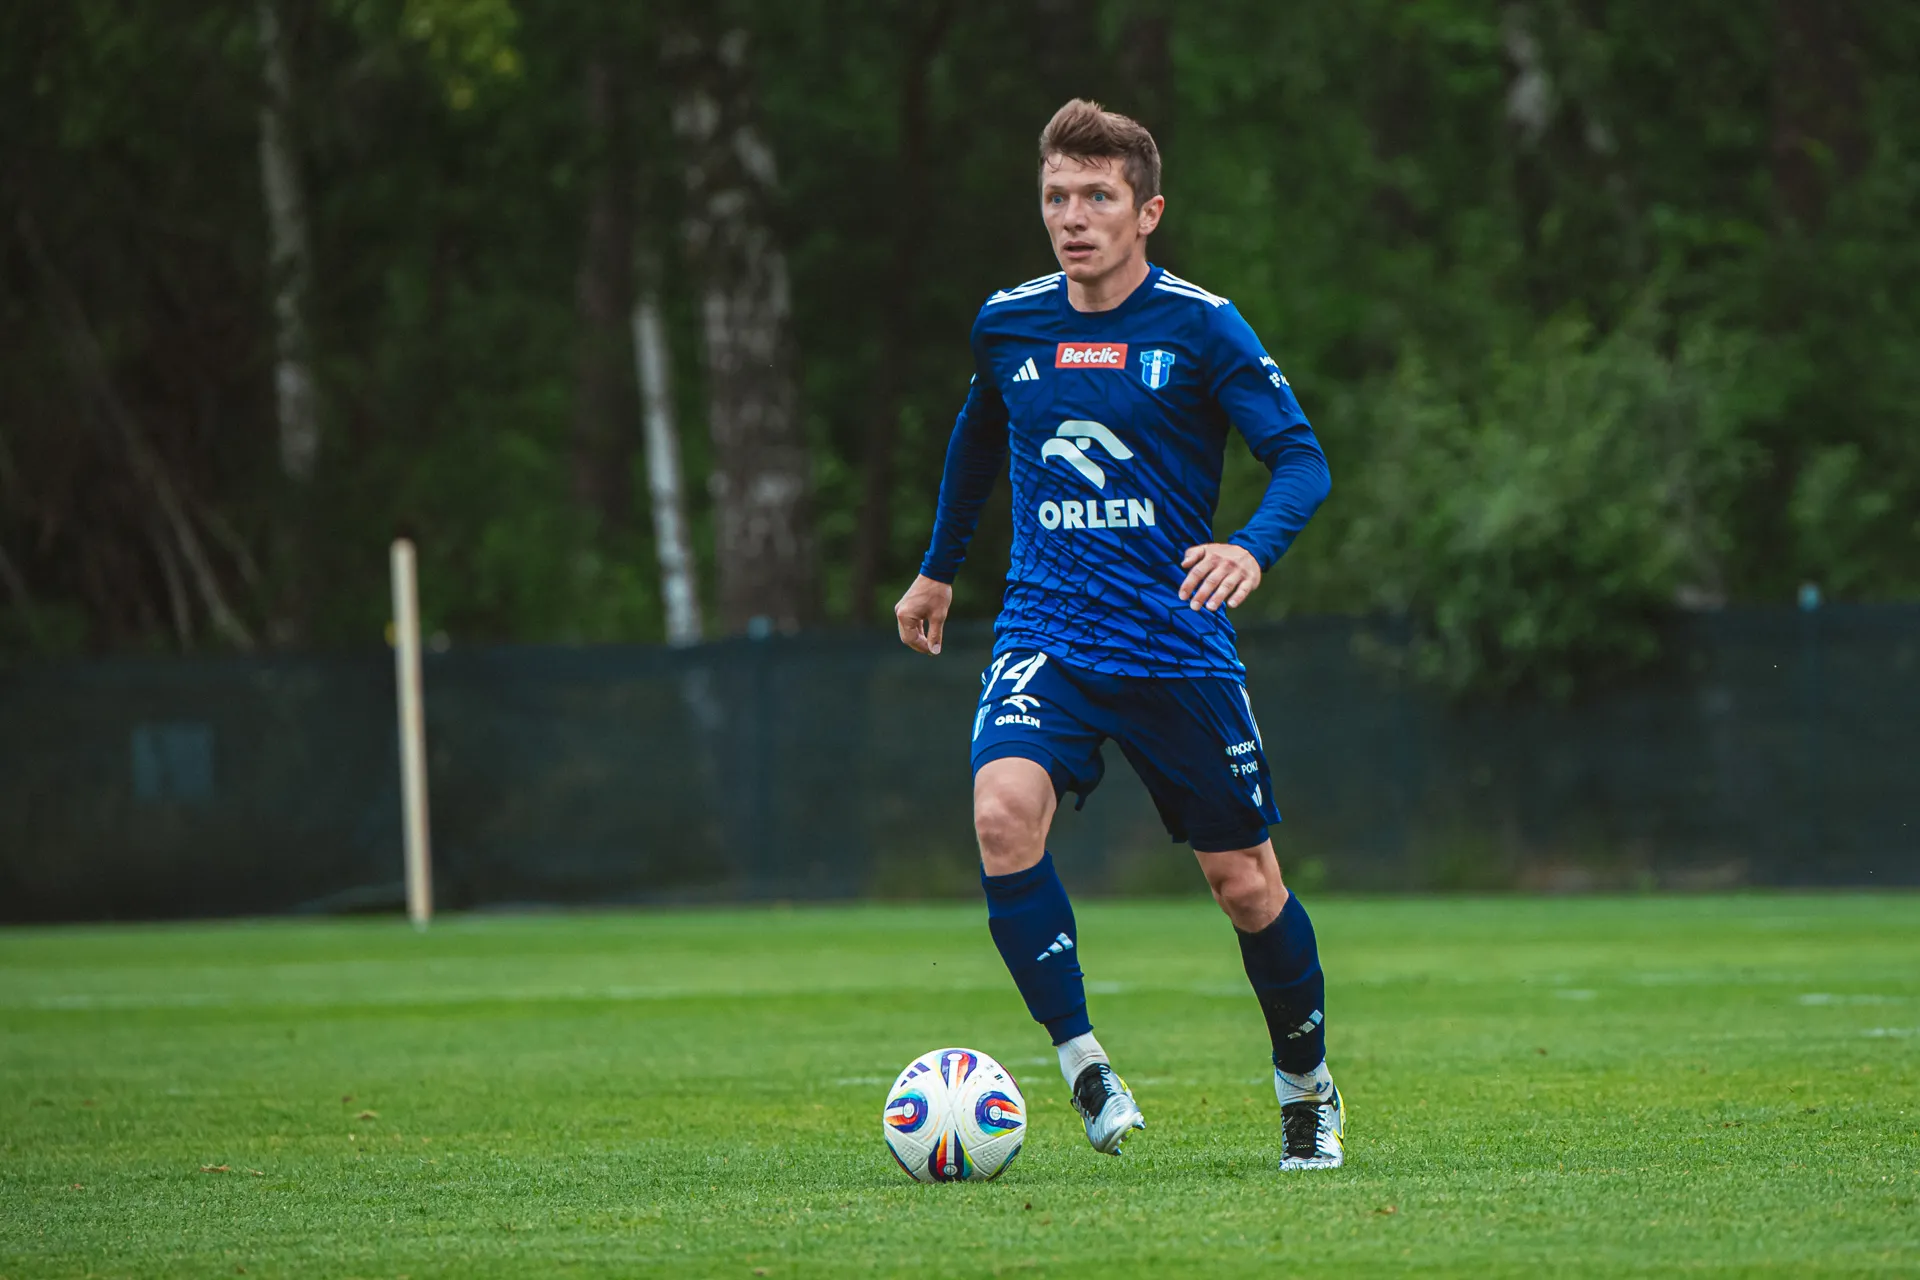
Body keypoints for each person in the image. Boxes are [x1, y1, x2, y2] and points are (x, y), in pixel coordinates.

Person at [892, 98, 1339, 1170]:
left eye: (1098, 196)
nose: (1073, 217)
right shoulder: (1010, 323)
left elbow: (1302, 459)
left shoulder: (1202, 326)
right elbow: (978, 436)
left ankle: (1307, 1089)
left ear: (1148, 213)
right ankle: (1084, 1064)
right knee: (1001, 814)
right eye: (1057, 196)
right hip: (1046, 626)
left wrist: (1250, 548)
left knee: (1247, 885)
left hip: (1175, 639)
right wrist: (939, 567)